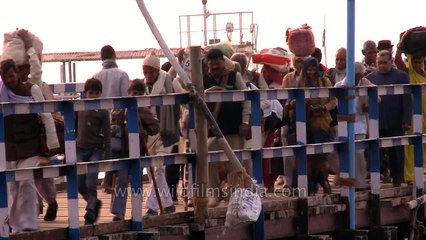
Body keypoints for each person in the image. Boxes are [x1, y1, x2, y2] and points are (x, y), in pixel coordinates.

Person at [0, 59, 60, 232]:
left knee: (26, 181)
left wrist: (52, 143)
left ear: (17, 74)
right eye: (5, 77)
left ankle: (27, 223)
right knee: (12, 187)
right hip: (10, 148)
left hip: (29, 144)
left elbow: (46, 115)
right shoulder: (1, 93)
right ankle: (12, 222)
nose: (9, 80)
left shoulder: (31, 90)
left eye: (11, 76)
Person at [8, 29, 59, 222]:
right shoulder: (6, 89)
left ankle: (50, 202)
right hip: (16, 140)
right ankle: (25, 215)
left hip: (35, 136)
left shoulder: (33, 84)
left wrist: (29, 46)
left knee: (42, 175)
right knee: (22, 179)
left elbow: (36, 68)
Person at [203, 48, 251, 207]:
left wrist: (245, 122)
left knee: (235, 163)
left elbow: (246, 99)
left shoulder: (234, 76)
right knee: (207, 157)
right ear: (208, 65)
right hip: (214, 129)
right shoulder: (204, 80)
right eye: (212, 65)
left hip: (234, 127)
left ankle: (232, 195)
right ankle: (215, 194)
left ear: (223, 63)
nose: (215, 67)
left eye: (217, 64)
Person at [110, 79, 160, 221]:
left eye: (139, 94)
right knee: (121, 181)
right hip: (122, 153)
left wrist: (148, 130)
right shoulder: (119, 110)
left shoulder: (143, 111)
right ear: (128, 93)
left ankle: (135, 212)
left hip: (138, 152)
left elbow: (156, 125)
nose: (135, 96)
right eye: (134, 93)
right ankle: (119, 212)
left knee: (136, 181)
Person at [366, 50, 412, 187]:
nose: (381, 65)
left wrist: (407, 119)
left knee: (396, 150)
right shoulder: (370, 78)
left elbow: (407, 100)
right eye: (379, 63)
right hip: (376, 120)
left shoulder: (402, 77)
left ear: (391, 62)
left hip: (395, 120)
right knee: (374, 149)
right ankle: (376, 175)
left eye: (384, 63)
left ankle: (397, 177)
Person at [142, 52, 180, 215]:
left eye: (151, 72)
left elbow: (182, 96)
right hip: (150, 133)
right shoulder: (143, 86)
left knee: (158, 169)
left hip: (166, 131)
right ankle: (168, 204)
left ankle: (151, 207)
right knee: (151, 171)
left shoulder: (169, 81)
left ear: (157, 71)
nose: (148, 76)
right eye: (146, 72)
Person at [335, 62, 378, 189]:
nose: (358, 78)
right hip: (344, 124)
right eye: (356, 75)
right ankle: (346, 180)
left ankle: (359, 183)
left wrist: (368, 96)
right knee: (344, 153)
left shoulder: (365, 84)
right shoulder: (339, 85)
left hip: (359, 124)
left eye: (360, 75)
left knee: (358, 152)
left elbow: (377, 97)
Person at [93, 45, 130, 194]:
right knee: (119, 150)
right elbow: (126, 99)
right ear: (114, 56)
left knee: (108, 150)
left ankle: (106, 180)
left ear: (101, 58)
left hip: (101, 119)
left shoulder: (96, 76)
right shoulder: (122, 74)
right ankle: (109, 181)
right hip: (117, 119)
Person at [298, 56, 337, 195]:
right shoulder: (300, 82)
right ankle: (311, 187)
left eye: (314, 69)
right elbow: (294, 101)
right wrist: (308, 108)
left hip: (322, 124)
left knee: (321, 156)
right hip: (306, 124)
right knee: (308, 157)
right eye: (309, 69)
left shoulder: (324, 81)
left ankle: (324, 182)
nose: (311, 72)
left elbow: (334, 100)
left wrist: (323, 108)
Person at [76, 78, 111, 224]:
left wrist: (107, 153)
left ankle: (90, 210)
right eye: (91, 93)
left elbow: (107, 133)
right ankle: (94, 202)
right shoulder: (79, 108)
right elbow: (71, 129)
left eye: (96, 93)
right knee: (78, 183)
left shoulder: (103, 112)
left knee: (91, 181)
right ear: (85, 93)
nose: (94, 96)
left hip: (95, 149)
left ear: (100, 94)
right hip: (79, 149)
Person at [395, 39, 426, 184]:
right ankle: (409, 176)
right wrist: (401, 45)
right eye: (414, 61)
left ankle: (422, 173)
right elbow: (397, 60)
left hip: (425, 115)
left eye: (419, 62)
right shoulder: (407, 72)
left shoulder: (424, 74)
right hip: (413, 115)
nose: (417, 64)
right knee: (411, 146)